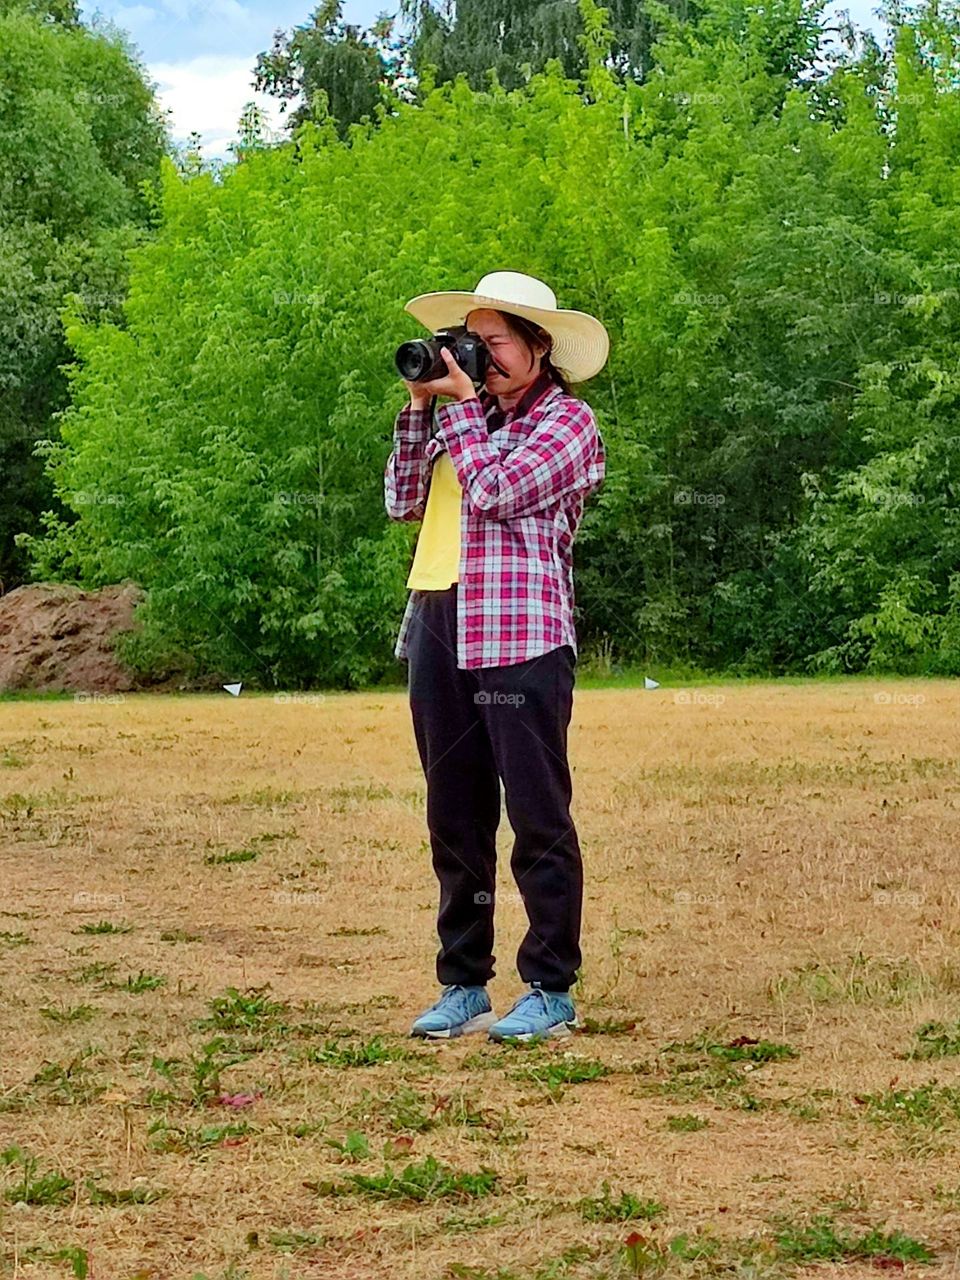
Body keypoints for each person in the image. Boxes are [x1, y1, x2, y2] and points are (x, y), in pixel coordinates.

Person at [384, 270, 609, 1043]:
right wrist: (420, 408)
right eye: (466, 341)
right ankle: (462, 983)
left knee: (538, 818)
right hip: (440, 620)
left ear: (539, 350)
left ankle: (549, 986)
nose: (475, 355)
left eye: (493, 341)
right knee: (455, 816)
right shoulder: (456, 419)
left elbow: (495, 492)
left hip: (522, 632)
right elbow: (402, 500)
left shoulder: (568, 425)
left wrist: (459, 417)